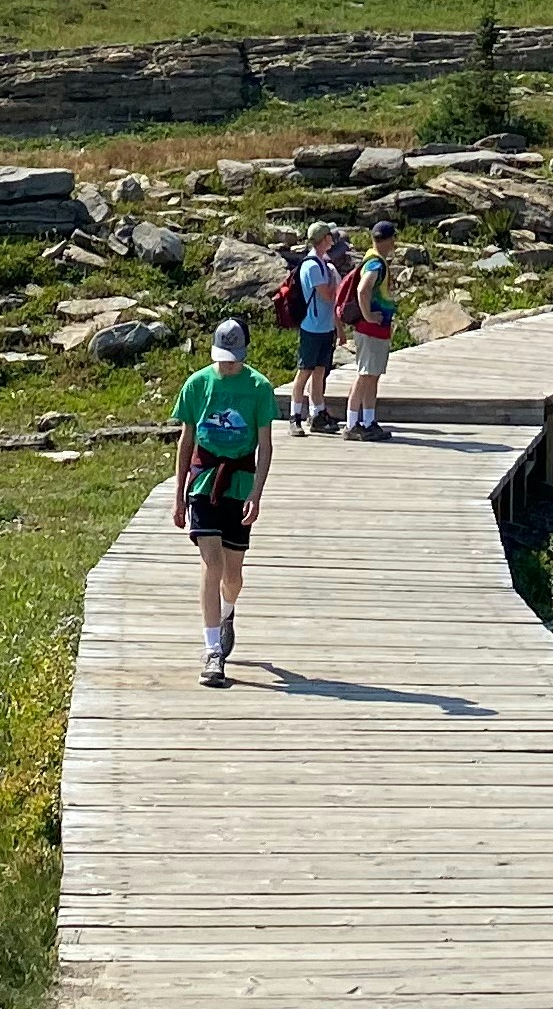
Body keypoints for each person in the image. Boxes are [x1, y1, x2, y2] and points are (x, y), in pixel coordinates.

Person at [171, 318, 280, 687]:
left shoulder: (259, 387)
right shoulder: (197, 384)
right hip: (203, 481)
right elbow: (186, 442)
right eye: (223, 358)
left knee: (232, 576)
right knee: (211, 563)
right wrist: (178, 496)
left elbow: (265, 445)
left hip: (239, 482)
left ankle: (228, 611)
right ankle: (213, 651)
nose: (228, 364)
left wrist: (257, 493)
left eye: (234, 358)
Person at [341, 220, 402, 439]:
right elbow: (363, 289)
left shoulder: (372, 259)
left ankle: (368, 421)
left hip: (376, 329)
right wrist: (368, 315)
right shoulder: (376, 264)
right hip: (370, 329)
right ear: (388, 240)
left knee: (372, 375)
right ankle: (352, 424)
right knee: (365, 375)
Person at [289, 223, 346, 433]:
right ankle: (295, 416)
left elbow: (331, 301)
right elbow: (327, 295)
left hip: (325, 327)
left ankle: (318, 413)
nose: (333, 240)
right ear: (323, 239)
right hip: (312, 328)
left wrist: (338, 328)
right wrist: (334, 279)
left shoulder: (323, 263)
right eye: (330, 237)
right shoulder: (312, 266)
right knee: (304, 372)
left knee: (320, 372)